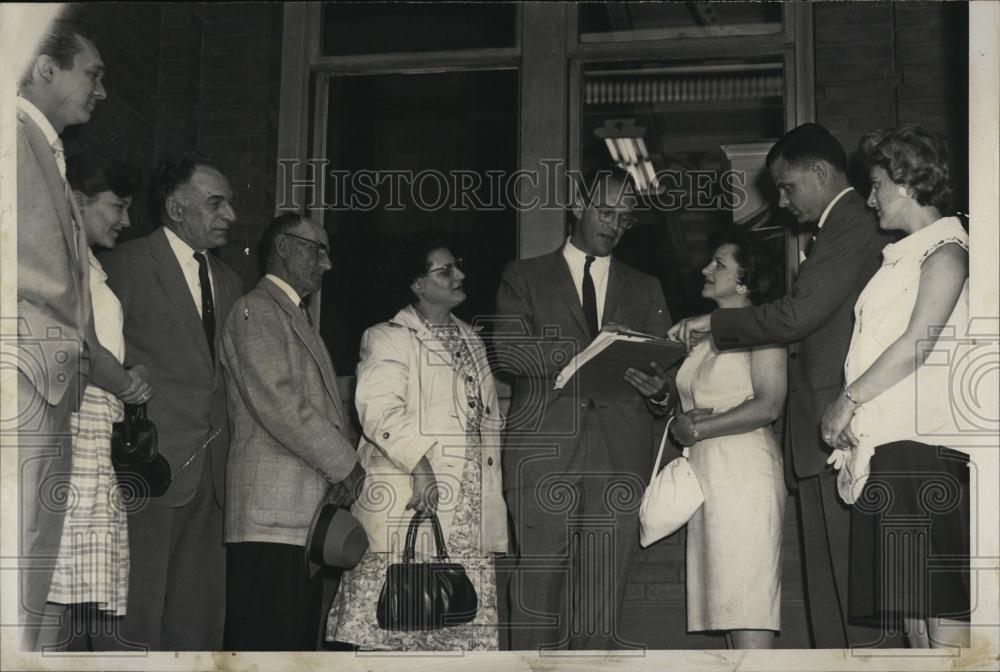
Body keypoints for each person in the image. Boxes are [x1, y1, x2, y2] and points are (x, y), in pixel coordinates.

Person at [669, 123, 894, 648]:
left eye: (788, 187)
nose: (783, 200)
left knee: (854, 605)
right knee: (832, 604)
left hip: (840, 432)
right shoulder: (835, 229)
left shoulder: (852, 223)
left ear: (819, 172)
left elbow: (797, 318)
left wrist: (713, 324)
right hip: (818, 438)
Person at [495, 167, 672, 650]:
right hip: (543, 458)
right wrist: (588, 353)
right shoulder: (524, 276)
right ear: (577, 205)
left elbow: (667, 385)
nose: (615, 225)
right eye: (606, 211)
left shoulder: (646, 287)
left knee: (600, 604)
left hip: (619, 459)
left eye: (626, 219)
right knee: (536, 593)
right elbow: (508, 352)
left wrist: (659, 389)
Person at [14, 19, 149, 651]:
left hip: (50, 400)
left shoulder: (43, 146)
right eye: (91, 74)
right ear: (44, 66)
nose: (101, 91)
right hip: (26, 391)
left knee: (38, 568)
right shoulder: (14, 139)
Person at [821, 125, 970, 649]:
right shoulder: (905, 255)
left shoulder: (947, 251)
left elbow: (917, 344)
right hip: (891, 448)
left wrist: (847, 401)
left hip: (923, 447)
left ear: (906, 184)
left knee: (938, 609)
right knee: (910, 614)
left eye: (878, 184)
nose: (870, 197)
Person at [328, 232, 508, 651]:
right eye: (445, 270)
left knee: (456, 626)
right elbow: (379, 411)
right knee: (399, 626)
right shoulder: (389, 336)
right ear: (417, 285)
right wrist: (422, 468)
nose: (458, 274)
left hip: (466, 508)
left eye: (456, 266)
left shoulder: (471, 339)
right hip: (413, 494)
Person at [99, 154, 243, 650]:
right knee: (135, 609)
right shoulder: (123, 263)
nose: (230, 216)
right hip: (146, 465)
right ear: (176, 207)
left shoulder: (229, 281)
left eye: (231, 204)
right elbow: (94, 357)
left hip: (211, 473)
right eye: (216, 203)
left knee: (197, 616)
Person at [220, 213, 365, 651]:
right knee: (266, 644)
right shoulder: (256, 309)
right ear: (283, 246)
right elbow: (281, 404)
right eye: (316, 249)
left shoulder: (292, 315)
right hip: (270, 520)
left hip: (296, 520)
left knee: (290, 645)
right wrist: (346, 464)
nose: (327, 263)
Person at [38, 156, 154, 650]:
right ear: (78, 200)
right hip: (74, 425)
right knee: (48, 578)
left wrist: (127, 374)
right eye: (117, 207)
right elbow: (81, 346)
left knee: (62, 588)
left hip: (91, 427)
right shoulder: (59, 257)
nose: (125, 221)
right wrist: (127, 385)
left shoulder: (87, 262)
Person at [669, 234, 786, 649]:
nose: (706, 269)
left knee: (749, 607)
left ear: (745, 280)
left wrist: (694, 429)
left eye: (719, 264)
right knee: (729, 612)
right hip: (709, 478)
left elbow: (769, 405)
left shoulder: (764, 326)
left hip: (743, 475)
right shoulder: (704, 335)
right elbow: (693, 404)